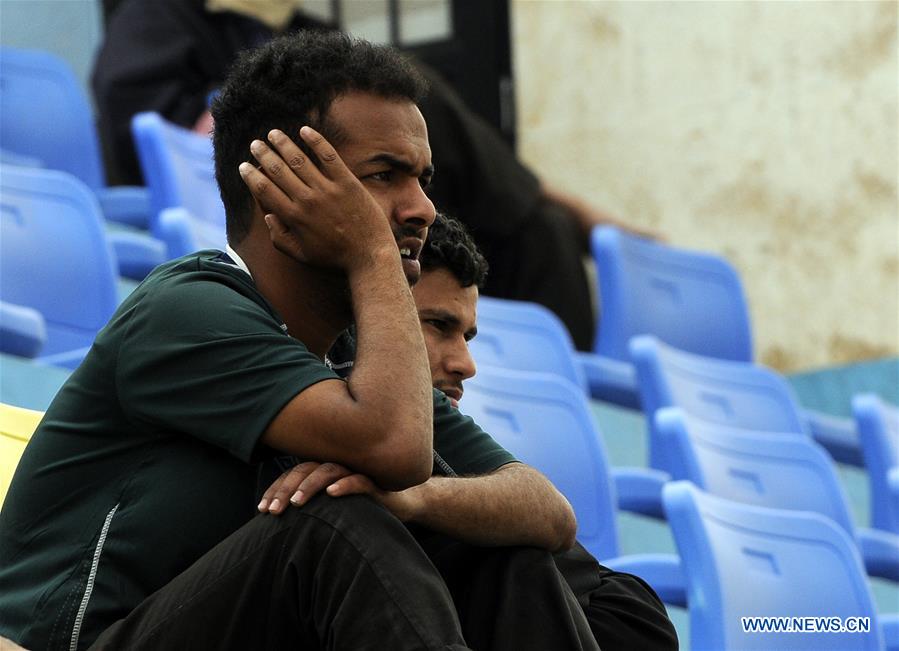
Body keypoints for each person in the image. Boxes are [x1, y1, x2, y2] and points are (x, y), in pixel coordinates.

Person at [0, 31, 672, 650]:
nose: (421, 208)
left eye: (422, 178)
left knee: (520, 560)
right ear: (279, 189)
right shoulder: (188, 309)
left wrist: (415, 498)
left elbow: (545, 508)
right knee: (335, 523)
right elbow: (395, 447)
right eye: (384, 175)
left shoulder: (356, 361)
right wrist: (375, 256)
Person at [92, 0, 659, 351]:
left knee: (543, 232)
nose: (421, 205)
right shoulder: (159, 17)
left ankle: (554, 216)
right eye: (395, 176)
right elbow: (165, 136)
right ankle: (557, 208)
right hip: (246, 202)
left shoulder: (305, 28)